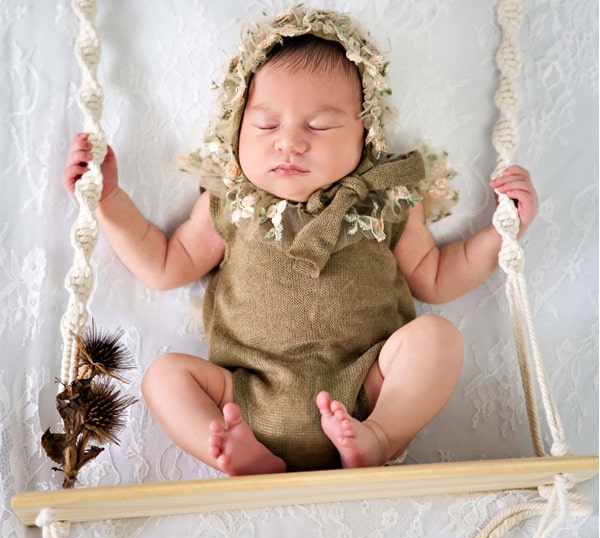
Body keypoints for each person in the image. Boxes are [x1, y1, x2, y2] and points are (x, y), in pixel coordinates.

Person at [63, 6, 538, 476]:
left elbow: (435, 277)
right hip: (244, 397)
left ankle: (382, 437)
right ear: (236, 128)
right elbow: (164, 264)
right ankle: (235, 454)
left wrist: (501, 232)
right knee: (164, 377)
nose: (288, 141)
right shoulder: (229, 203)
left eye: (319, 125)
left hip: (367, 391)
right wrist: (109, 200)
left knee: (437, 338)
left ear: (365, 136)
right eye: (266, 125)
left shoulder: (384, 202)